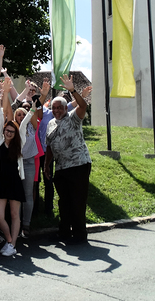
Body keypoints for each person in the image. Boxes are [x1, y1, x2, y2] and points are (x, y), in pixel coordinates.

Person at [44, 74, 90, 244]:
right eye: (54, 108)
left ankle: (79, 235)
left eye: (59, 108)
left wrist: (72, 90)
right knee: (64, 202)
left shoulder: (73, 118)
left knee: (78, 201)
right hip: (61, 168)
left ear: (65, 108)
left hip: (79, 165)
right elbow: (49, 146)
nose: (56, 110)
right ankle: (64, 232)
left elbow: (83, 105)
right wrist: (46, 165)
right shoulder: (50, 124)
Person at [0, 78, 34, 257]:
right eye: (7, 130)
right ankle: (9, 239)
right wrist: (2, 96)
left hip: (15, 181)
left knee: (15, 215)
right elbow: (1, 116)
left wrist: (36, 103)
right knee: (0, 216)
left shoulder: (20, 142)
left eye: (12, 131)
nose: (9, 132)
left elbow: (24, 123)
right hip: (0, 181)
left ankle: (12, 244)